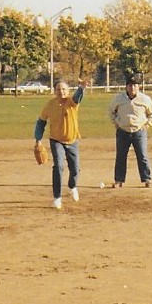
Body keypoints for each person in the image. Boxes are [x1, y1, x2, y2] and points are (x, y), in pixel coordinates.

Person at [34, 78, 86, 209]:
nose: (61, 92)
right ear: (54, 91)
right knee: (58, 166)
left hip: (72, 140)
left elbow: (78, 98)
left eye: (63, 89)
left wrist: (81, 88)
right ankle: (57, 197)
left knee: (75, 168)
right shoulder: (50, 105)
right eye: (58, 89)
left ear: (68, 91)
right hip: (56, 140)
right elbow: (41, 122)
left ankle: (72, 186)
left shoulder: (71, 102)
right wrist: (38, 139)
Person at [108, 75, 152, 188]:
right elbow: (111, 111)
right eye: (130, 85)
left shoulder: (145, 99)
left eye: (135, 85)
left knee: (142, 155)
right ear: (126, 87)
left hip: (139, 131)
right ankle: (119, 180)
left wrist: (147, 124)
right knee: (121, 156)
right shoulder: (118, 99)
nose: (132, 88)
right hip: (123, 131)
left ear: (138, 87)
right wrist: (116, 122)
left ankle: (147, 179)